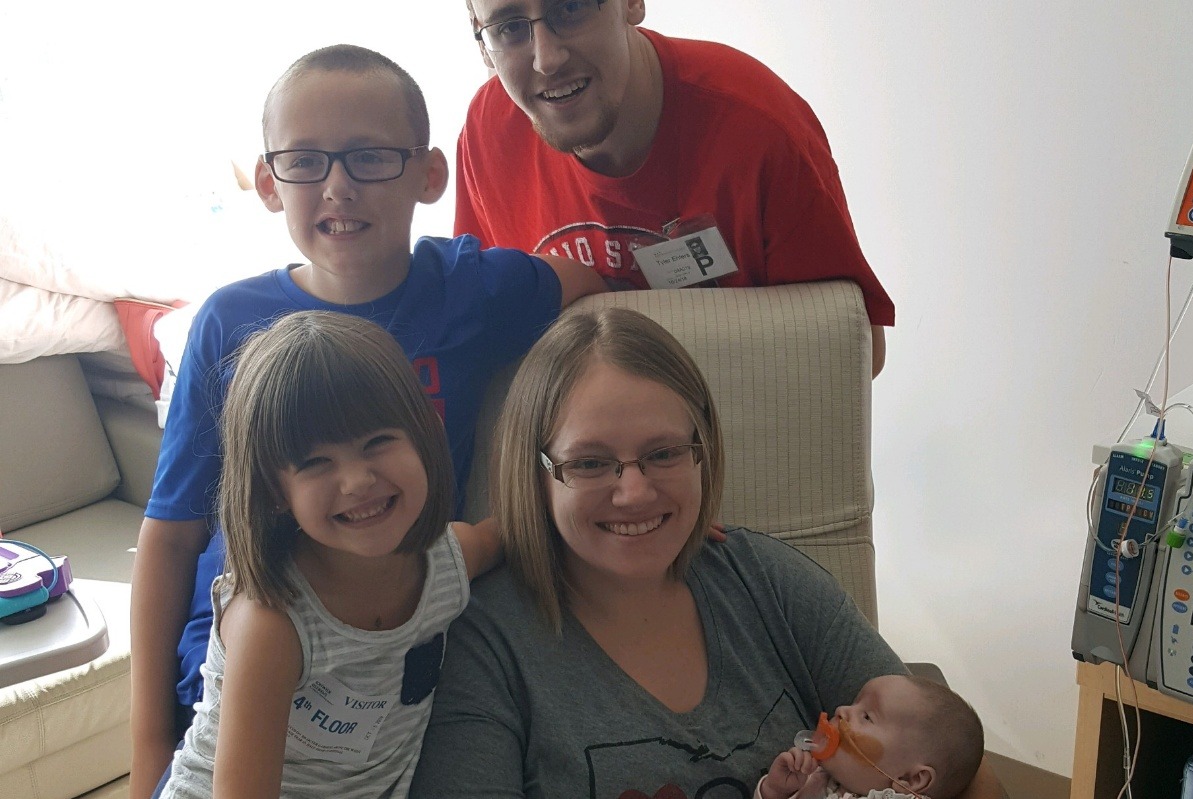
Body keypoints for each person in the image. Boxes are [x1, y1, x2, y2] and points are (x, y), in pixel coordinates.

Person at [129, 44, 607, 799]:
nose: (338, 186)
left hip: (391, 662)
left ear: (429, 175)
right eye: (305, 161)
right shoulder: (229, 320)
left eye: (371, 157)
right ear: (268, 182)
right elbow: (171, 533)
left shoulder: (471, 288)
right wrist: (149, 745)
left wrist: (627, 484)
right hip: (242, 670)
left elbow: (596, 294)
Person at [410, 306, 977, 797]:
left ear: (702, 451)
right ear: (535, 474)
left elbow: (956, 770)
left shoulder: (767, 580)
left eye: (663, 453)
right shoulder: (483, 642)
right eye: (589, 462)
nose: (635, 493)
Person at [156, 311, 495, 799]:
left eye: (377, 442)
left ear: (426, 437)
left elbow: (517, 533)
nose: (357, 481)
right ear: (275, 491)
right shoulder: (271, 623)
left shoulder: (449, 560)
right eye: (316, 463)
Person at [456, 0, 893, 377]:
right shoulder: (487, 135)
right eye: (509, 27)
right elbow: (475, 335)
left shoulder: (759, 130)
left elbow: (852, 353)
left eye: (571, 7)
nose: (547, 60)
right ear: (480, 40)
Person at [756, 675, 985, 799]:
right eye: (854, 703)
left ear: (911, 779)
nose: (842, 710)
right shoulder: (813, 779)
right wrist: (775, 791)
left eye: (866, 716)